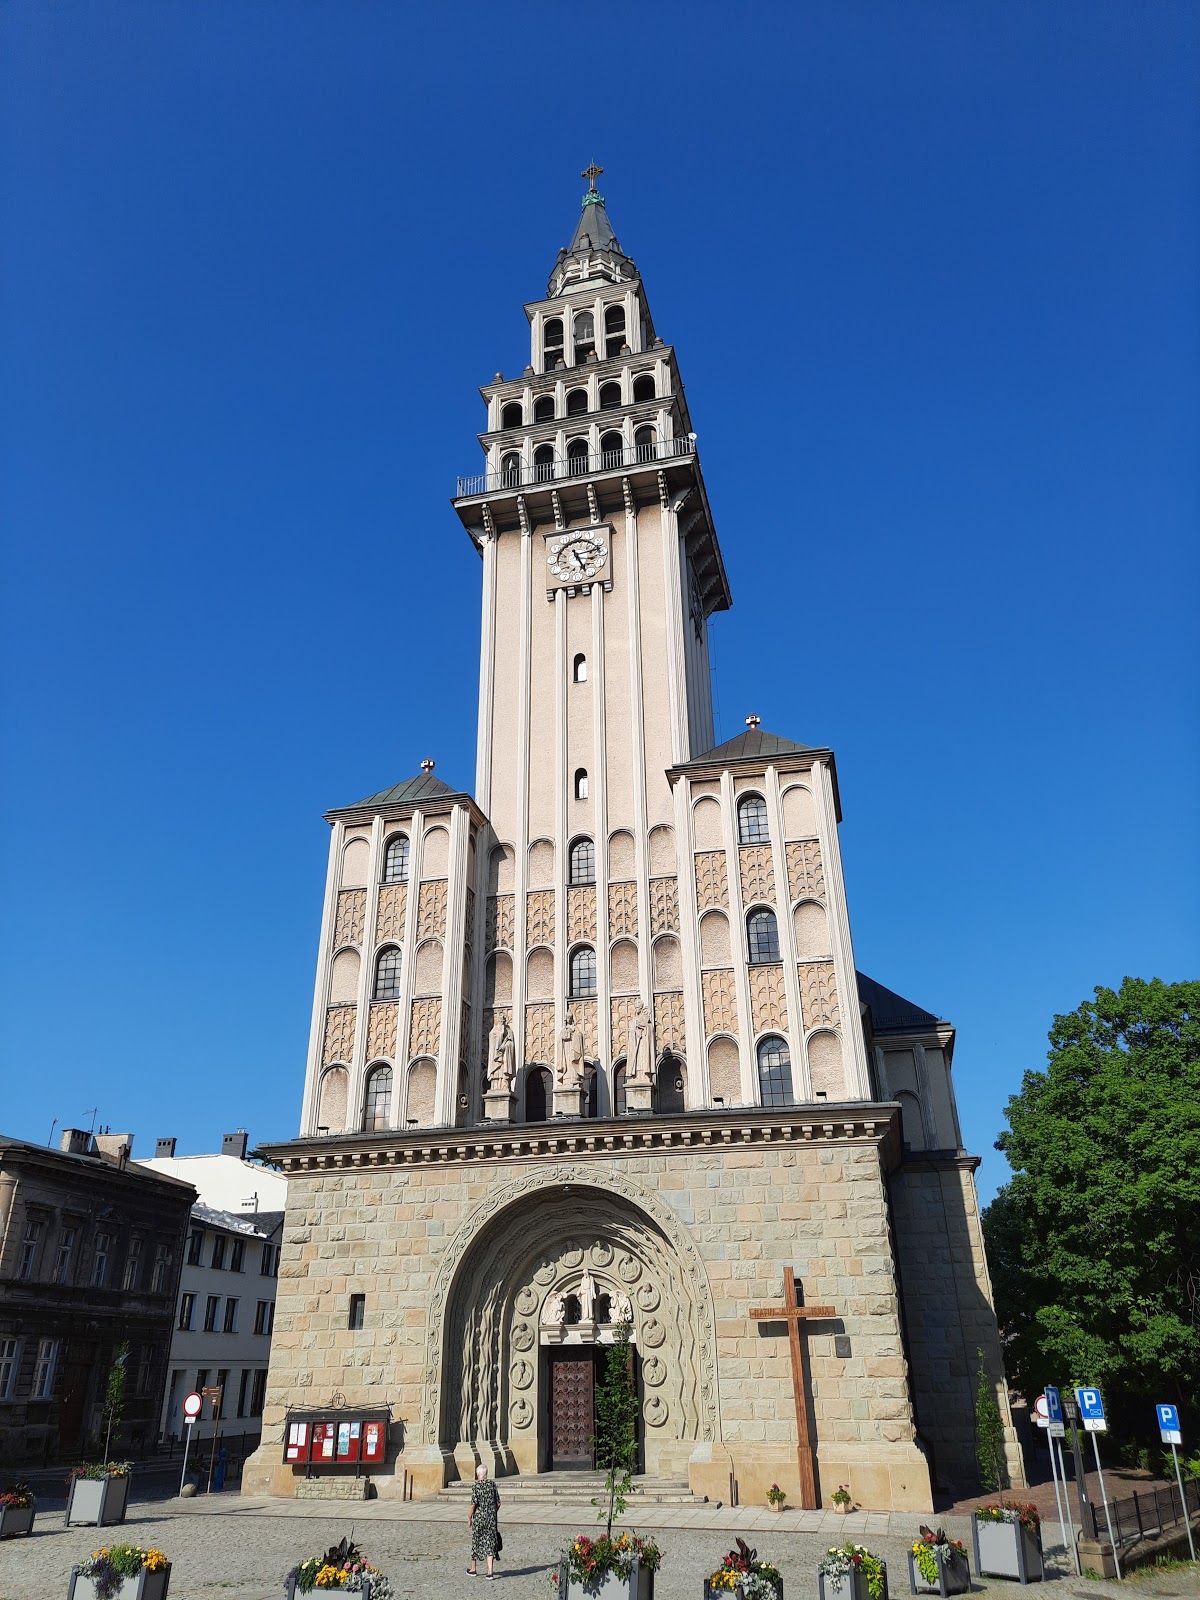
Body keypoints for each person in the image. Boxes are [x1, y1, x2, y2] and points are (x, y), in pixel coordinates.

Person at [467, 1462, 501, 1580]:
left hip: (479, 1518)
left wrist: (469, 1518)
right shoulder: (492, 1485)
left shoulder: (476, 1486)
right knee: (490, 1542)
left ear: (478, 1475)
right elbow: (498, 1503)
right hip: (491, 1519)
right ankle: (490, 1572)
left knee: (476, 1541)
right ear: (486, 1474)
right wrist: (492, 1512)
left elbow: (473, 1504)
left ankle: (473, 1569)